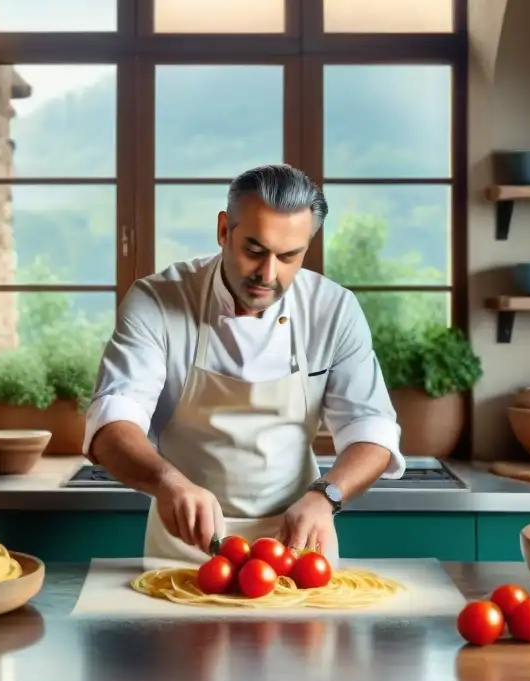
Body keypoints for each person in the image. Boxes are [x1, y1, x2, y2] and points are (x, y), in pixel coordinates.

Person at [83, 164, 405, 566]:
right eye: (254, 250)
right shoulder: (158, 301)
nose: (268, 274)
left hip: (298, 548)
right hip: (185, 548)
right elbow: (113, 421)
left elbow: (371, 429)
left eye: (289, 256)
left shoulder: (333, 310)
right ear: (223, 230)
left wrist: (326, 496)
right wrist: (168, 483)